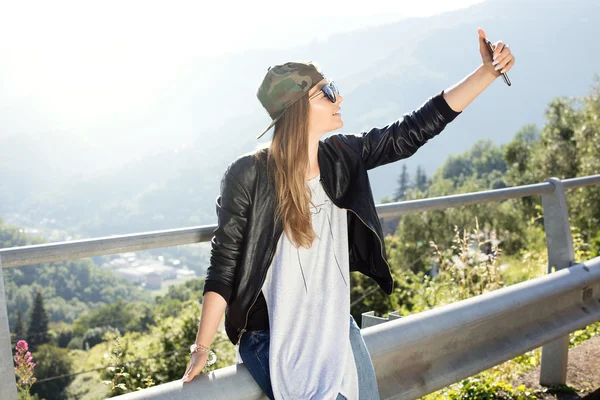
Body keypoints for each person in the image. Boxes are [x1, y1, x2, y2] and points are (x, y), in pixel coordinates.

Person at [182, 27, 515, 400]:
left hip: (336, 327)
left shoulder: (342, 156)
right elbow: (224, 267)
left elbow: (412, 130)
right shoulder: (248, 175)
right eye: (326, 92)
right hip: (272, 335)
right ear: (297, 109)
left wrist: (487, 72)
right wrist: (202, 349)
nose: (339, 96)